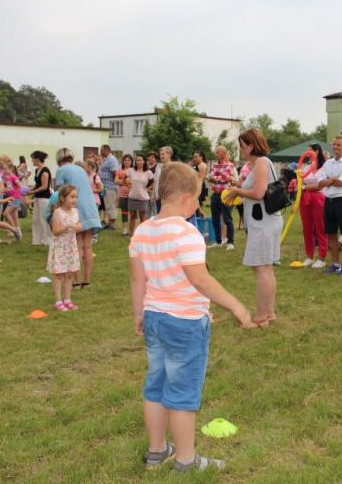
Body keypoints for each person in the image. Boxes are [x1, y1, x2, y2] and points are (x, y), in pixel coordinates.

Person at [129, 161, 252, 472]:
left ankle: (157, 451)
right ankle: (185, 460)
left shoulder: (142, 231)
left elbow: (137, 279)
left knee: (156, 385)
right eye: (197, 198)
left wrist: (139, 312)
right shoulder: (188, 233)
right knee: (182, 392)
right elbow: (200, 279)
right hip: (184, 324)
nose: (198, 204)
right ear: (185, 197)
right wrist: (236, 305)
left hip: (154, 318)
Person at [226, 129, 284, 326]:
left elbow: (258, 193)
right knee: (265, 268)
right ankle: (269, 313)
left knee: (261, 268)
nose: (241, 150)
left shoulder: (260, 163)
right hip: (265, 221)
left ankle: (261, 316)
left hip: (264, 223)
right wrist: (240, 186)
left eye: (242, 146)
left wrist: (237, 190)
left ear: (251, 146)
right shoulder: (259, 163)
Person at [54, 148, 102, 288]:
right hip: (91, 208)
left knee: (78, 246)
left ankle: (76, 281)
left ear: (59, 159)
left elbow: (60, 193)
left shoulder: (61, 170)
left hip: (77, 209)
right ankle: (86, 281)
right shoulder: (80, 169)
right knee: (88, 246)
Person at [316, 136, 342, 276]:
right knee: (331, 234)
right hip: (329, 201)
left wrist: (329, 180)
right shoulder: (328, 163)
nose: (335, 147)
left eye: (338, 145)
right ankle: (335, 264)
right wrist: (333, 179)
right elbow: (319, 183)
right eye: (333, 144)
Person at [48, 185, 82, 311]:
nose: (74, 199)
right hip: (60, 248)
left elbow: (77, 226)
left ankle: (67, 300)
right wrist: (67, 226)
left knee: (69, 274)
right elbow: (55, 231)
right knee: (59, 274)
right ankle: (58, 301)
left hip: (71, 247)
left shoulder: (76, 212)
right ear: (63, 198)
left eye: (76, 197)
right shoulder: (58, 212)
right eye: (71, 197)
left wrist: (78, 227)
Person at [299, 143, 328, 268]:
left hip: (319, 198)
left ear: (317, 151)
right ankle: (309, 256)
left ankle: (322, 257)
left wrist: (306, 187)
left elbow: (321, 185)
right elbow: (301, 181)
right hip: (305, 198)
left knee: (320, 227)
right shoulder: (306, 166)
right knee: (307, 228)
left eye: (310, 151)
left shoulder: (325, 167)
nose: (308, 153)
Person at [207, 146, 236, 250]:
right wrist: (218, 178)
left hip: (225, 195)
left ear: (223, 153)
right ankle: (218, 241)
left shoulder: (229, 165)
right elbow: (210, 177)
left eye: (217, 152)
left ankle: (230, 242)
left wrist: (215, 178)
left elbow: (224, 177)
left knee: (227, 219)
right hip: (215, 194)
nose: (216, 154)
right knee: (215, 219)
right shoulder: (214, 164)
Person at [28, 151, 53, 246]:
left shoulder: (45, 171)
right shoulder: (37, 170)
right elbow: (37, 184)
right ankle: (37, 240)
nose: (32, 161)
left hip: (44, 198)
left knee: (43, 219)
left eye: (33, 159)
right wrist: (29, 189)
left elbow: (44, 186)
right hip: (38, 197)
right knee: (36, 219)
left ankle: (47, 240)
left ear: (37, 159)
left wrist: (32, 192)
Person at [128, 154, 155, 235]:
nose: (138, 162)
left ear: (144, 161)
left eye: (140, 160)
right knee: (132, 216)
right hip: (132, 196)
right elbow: (125, 178)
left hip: (143, 198)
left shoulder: (148, 172)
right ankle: (131, 234)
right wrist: (128, 184)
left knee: (142, 217)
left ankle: (141, 234)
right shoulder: (131, 170)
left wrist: (147, 187)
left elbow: (153, 181)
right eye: (137, 160)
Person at [98, 144, 120, 230]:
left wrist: (115, 183)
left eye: (101, 150)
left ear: (106, 150)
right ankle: (109, 223)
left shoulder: (111, 159)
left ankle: (112, 224)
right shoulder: (107, 159)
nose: (100, 152)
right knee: (107, 205)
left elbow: (115, 172)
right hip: (105, 187)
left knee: (111, 205)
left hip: (110, 187)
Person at [116, 154, 134, 236]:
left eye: (128, 160)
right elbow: (116, 181)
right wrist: (124, 181)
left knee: (133, 212)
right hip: (123, 194)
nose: (127, 162)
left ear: (131, 161)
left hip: (133, 193)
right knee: (124, 212)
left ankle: (132, 229)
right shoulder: (120, 171)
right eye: (125, 160)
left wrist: (123, 181)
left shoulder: (134, 170)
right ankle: (125, 229)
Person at [191, 151, 208, 217]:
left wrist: (198, 191)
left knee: (197, 207)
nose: (194, 158)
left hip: (199, 187)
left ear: (201, 157)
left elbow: (201, 178)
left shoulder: (202, 165)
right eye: (194, 157)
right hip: (196, 187)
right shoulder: (196, 165)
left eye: (196, 157)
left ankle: (198, 219)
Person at [147, 152, 159, 217]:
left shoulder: (157, 167)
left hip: (153, 191)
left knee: (154, 209)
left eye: (152, 157)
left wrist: (149, 189)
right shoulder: (146, 167)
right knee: (147, 209)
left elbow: (155, 180)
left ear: (155, 159)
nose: (150, 158)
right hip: (145, 191)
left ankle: (155, 221)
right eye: (149, 157)